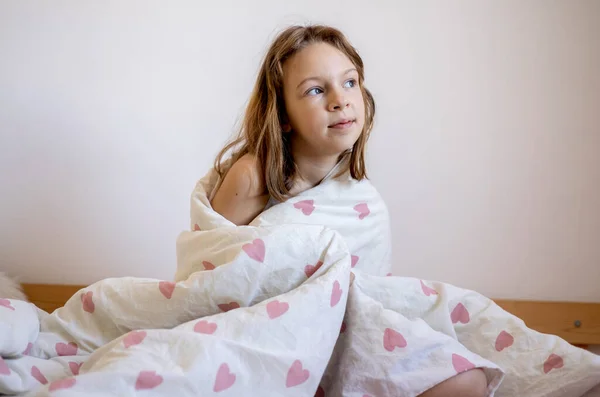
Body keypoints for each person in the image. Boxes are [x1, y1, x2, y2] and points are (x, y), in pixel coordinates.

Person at [210, 24, 488, 397]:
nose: (339, 100)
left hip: (346, 336)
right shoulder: (252, 177)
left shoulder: (360, 197)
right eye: (315, 90)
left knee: (469, 380)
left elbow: (372, 293)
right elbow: (211, 274)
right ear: (283, 114)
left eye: (349, 82)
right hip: (272, 339)